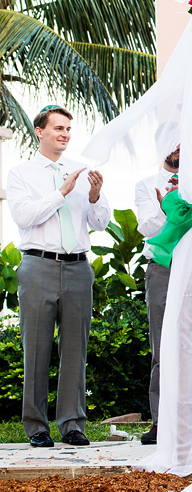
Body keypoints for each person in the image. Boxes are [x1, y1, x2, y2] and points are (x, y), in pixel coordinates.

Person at [7, 106, 111, 447]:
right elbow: (24, 216)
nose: (65, 134)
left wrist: (94, 197)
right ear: (40, 131)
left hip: (79, 266)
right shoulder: (22, 174)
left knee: (75, 349)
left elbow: (100, 223)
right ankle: (37, 426)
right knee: (35, 349)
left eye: (68, 129)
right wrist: (62, 193)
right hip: (38, 265)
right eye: (58, 128)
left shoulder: (81, 172)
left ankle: (72, 424)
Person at [135, 144, 192, 445]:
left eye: (184, 144)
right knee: (162, 347)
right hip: (162, 267)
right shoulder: (146, 185)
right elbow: (147, 227)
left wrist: (190, 198)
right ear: (162, 147)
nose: (179, 150)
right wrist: (168, 209)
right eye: (173, 144)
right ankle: (161, 422)